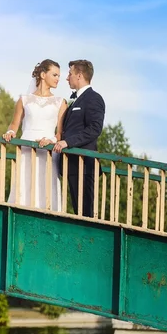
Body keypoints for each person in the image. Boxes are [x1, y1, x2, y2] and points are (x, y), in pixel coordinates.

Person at [3, 59, 67, 210]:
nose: (58, 78)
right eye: (55, 74)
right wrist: (10, 132)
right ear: (43, 75)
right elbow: (14, 124)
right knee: (24, 183)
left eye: (59, 75)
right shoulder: (24, 100)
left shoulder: (60, 102)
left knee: (45, 185)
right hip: (26, 149)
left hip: (47, 150)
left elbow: (60, 133)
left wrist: (50, 140)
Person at [53, 59, 105, 218]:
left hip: (84, 165)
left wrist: (67, 142)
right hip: (72, 165)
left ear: (80, 76)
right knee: (78, 211)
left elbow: (95, 129)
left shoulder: (94, 98)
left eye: (70, 74)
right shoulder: (75, 100)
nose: (67, 78)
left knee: (86, 213)